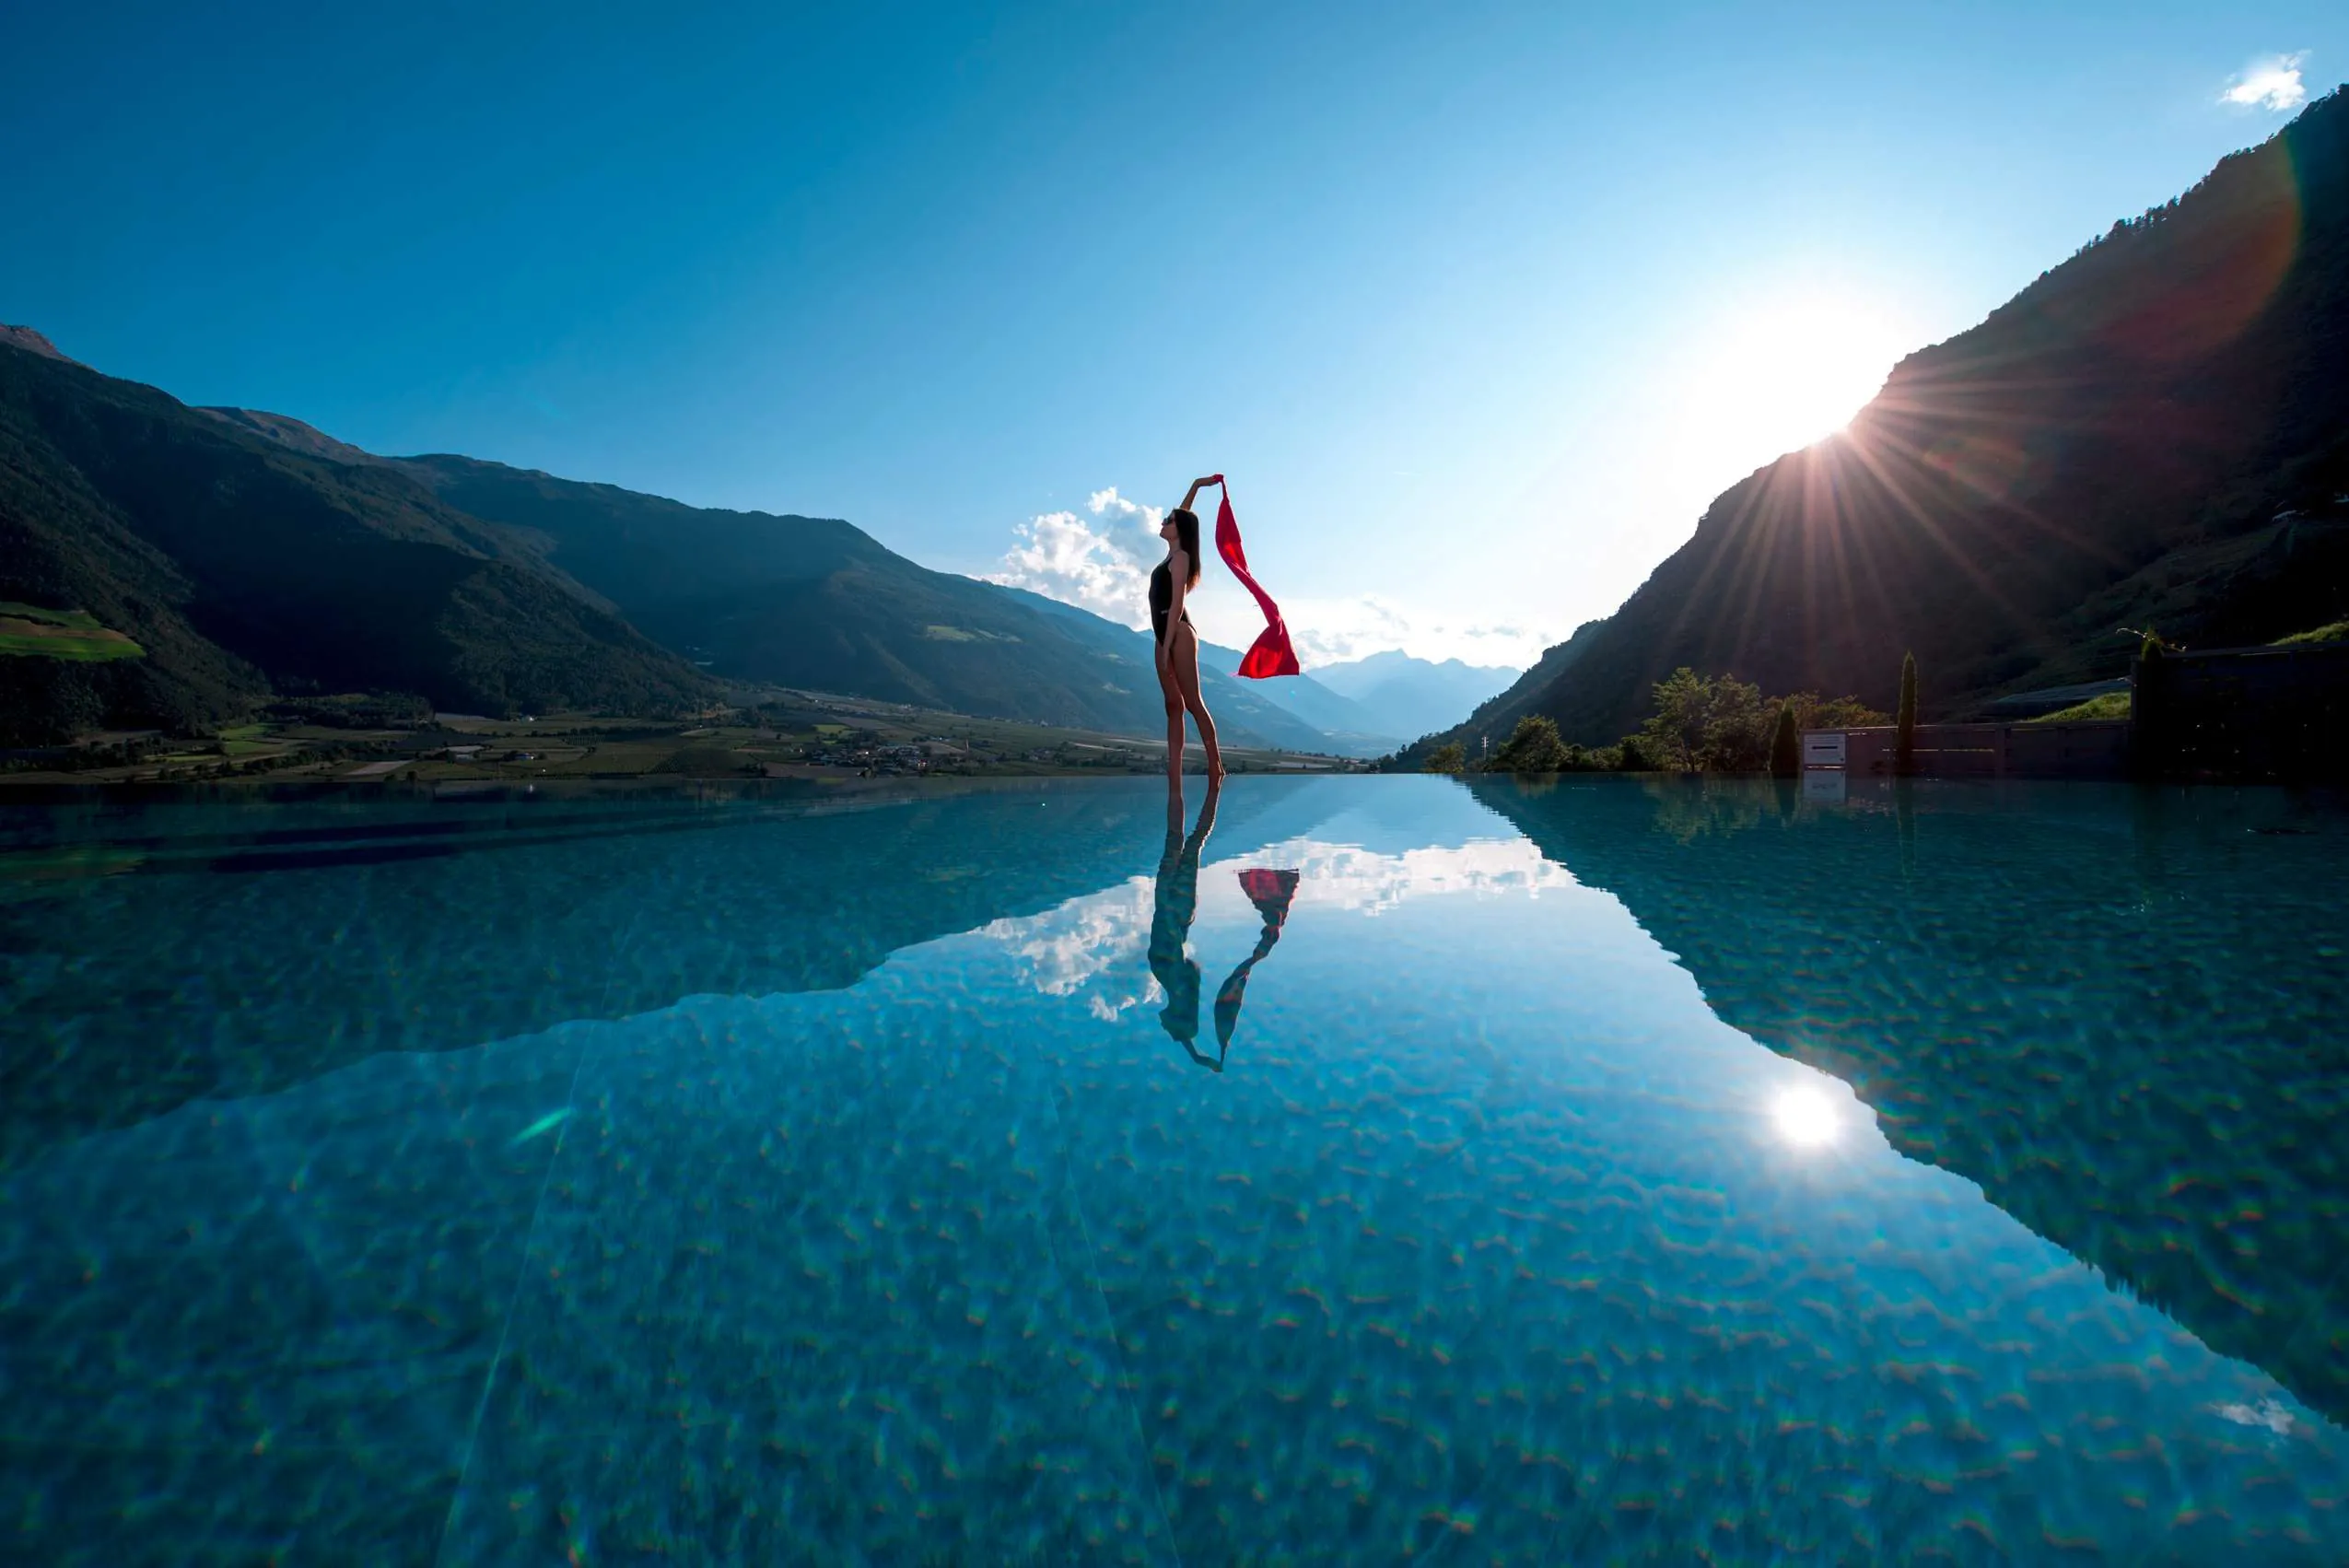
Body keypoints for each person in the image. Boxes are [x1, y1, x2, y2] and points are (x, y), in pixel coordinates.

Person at [1154, 478, 1225, 787]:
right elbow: (1183, 515)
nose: (1164, 522)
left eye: (1168, 521)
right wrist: (1196, 486)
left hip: (1178, 631)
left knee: (1193, 702)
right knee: (1173, 706)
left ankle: (1216, 766)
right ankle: (1175, 771)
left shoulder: (1181, 558)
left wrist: (1168, 644)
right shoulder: (1172, 554)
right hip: (1163, 633)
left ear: (1178, 529)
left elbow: (1177, 602)